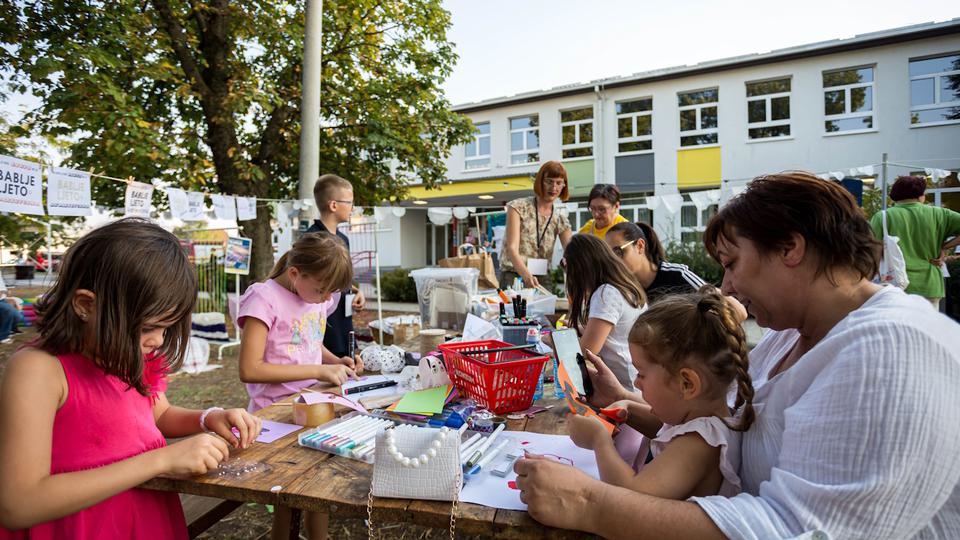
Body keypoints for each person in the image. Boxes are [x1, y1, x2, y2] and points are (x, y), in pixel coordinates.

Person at [514, 172, 960, 539]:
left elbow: (798, 530)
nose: (725, 288)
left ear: (791, 248)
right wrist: (635, 405)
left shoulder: (891, 350)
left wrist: (590, 504)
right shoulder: (796, 334)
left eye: (731, 263)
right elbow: (723, 427)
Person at [0, 218, 261, 537]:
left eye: (167, 328)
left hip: (144, 519)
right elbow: (18, 504)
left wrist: (209, 417)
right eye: (149, 327)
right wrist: (161, 461)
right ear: (86, 305)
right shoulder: (39, 370)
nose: (159, 341)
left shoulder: (127, 355)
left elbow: (158, 414)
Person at [567, 287, 754, 499]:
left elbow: (631, 498)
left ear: (687, 384)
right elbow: (667, 428)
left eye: (642, 374)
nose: (637, 383)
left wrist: (598, 440)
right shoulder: (700, 419)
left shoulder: (698, 444)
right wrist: (624, 403)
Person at [237, 231, 362, 540]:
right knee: (286, 498)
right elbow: (249, 369)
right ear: (295, 274)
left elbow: (307, 342)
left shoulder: (315, 294)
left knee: (318, 489)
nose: (325, 299)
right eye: (321, 291)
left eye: (330, 293)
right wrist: (320, 369)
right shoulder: (264, 298)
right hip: (275, 416)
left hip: (313, 405)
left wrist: (336, 360)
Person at [606, 221, 747, 320]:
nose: (614, 261)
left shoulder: (676, 275)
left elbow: (738, 312)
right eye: (608, 255)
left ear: (640, 246)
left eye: (618, 252)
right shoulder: (621, 290)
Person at [563, 234, 645, 390]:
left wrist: (552, 341)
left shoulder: (606, 293)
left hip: (626, 388)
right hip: (634, 384)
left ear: (582, 269)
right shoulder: (623, 286)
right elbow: (616, 334)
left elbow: (587, 351)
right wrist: (580, 328)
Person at [869, 175, 960, 310]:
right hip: (929, 285)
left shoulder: (883, 217)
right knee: (926, 329)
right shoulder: (940, 214)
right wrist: (944, 246)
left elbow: (871, 250)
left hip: (893, 285)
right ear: (921, 195)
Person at [306, 174, 366, 358]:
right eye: (349, 203)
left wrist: (356, 290)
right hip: (322, 326)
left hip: (343, 322)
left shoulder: (343, 239)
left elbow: (340, 278)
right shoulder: (311, 240)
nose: (352, 208)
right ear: (334, 205)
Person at [502, 161, 574, 290]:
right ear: (540, 182)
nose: (554, 187)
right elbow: (512, 248)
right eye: (549, 181)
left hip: (542, 278)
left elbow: (572, 252)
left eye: (559, 183)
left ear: (564, 185)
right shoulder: (518, 207)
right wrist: (526, 275)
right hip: (514, 275)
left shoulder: (560, 219)